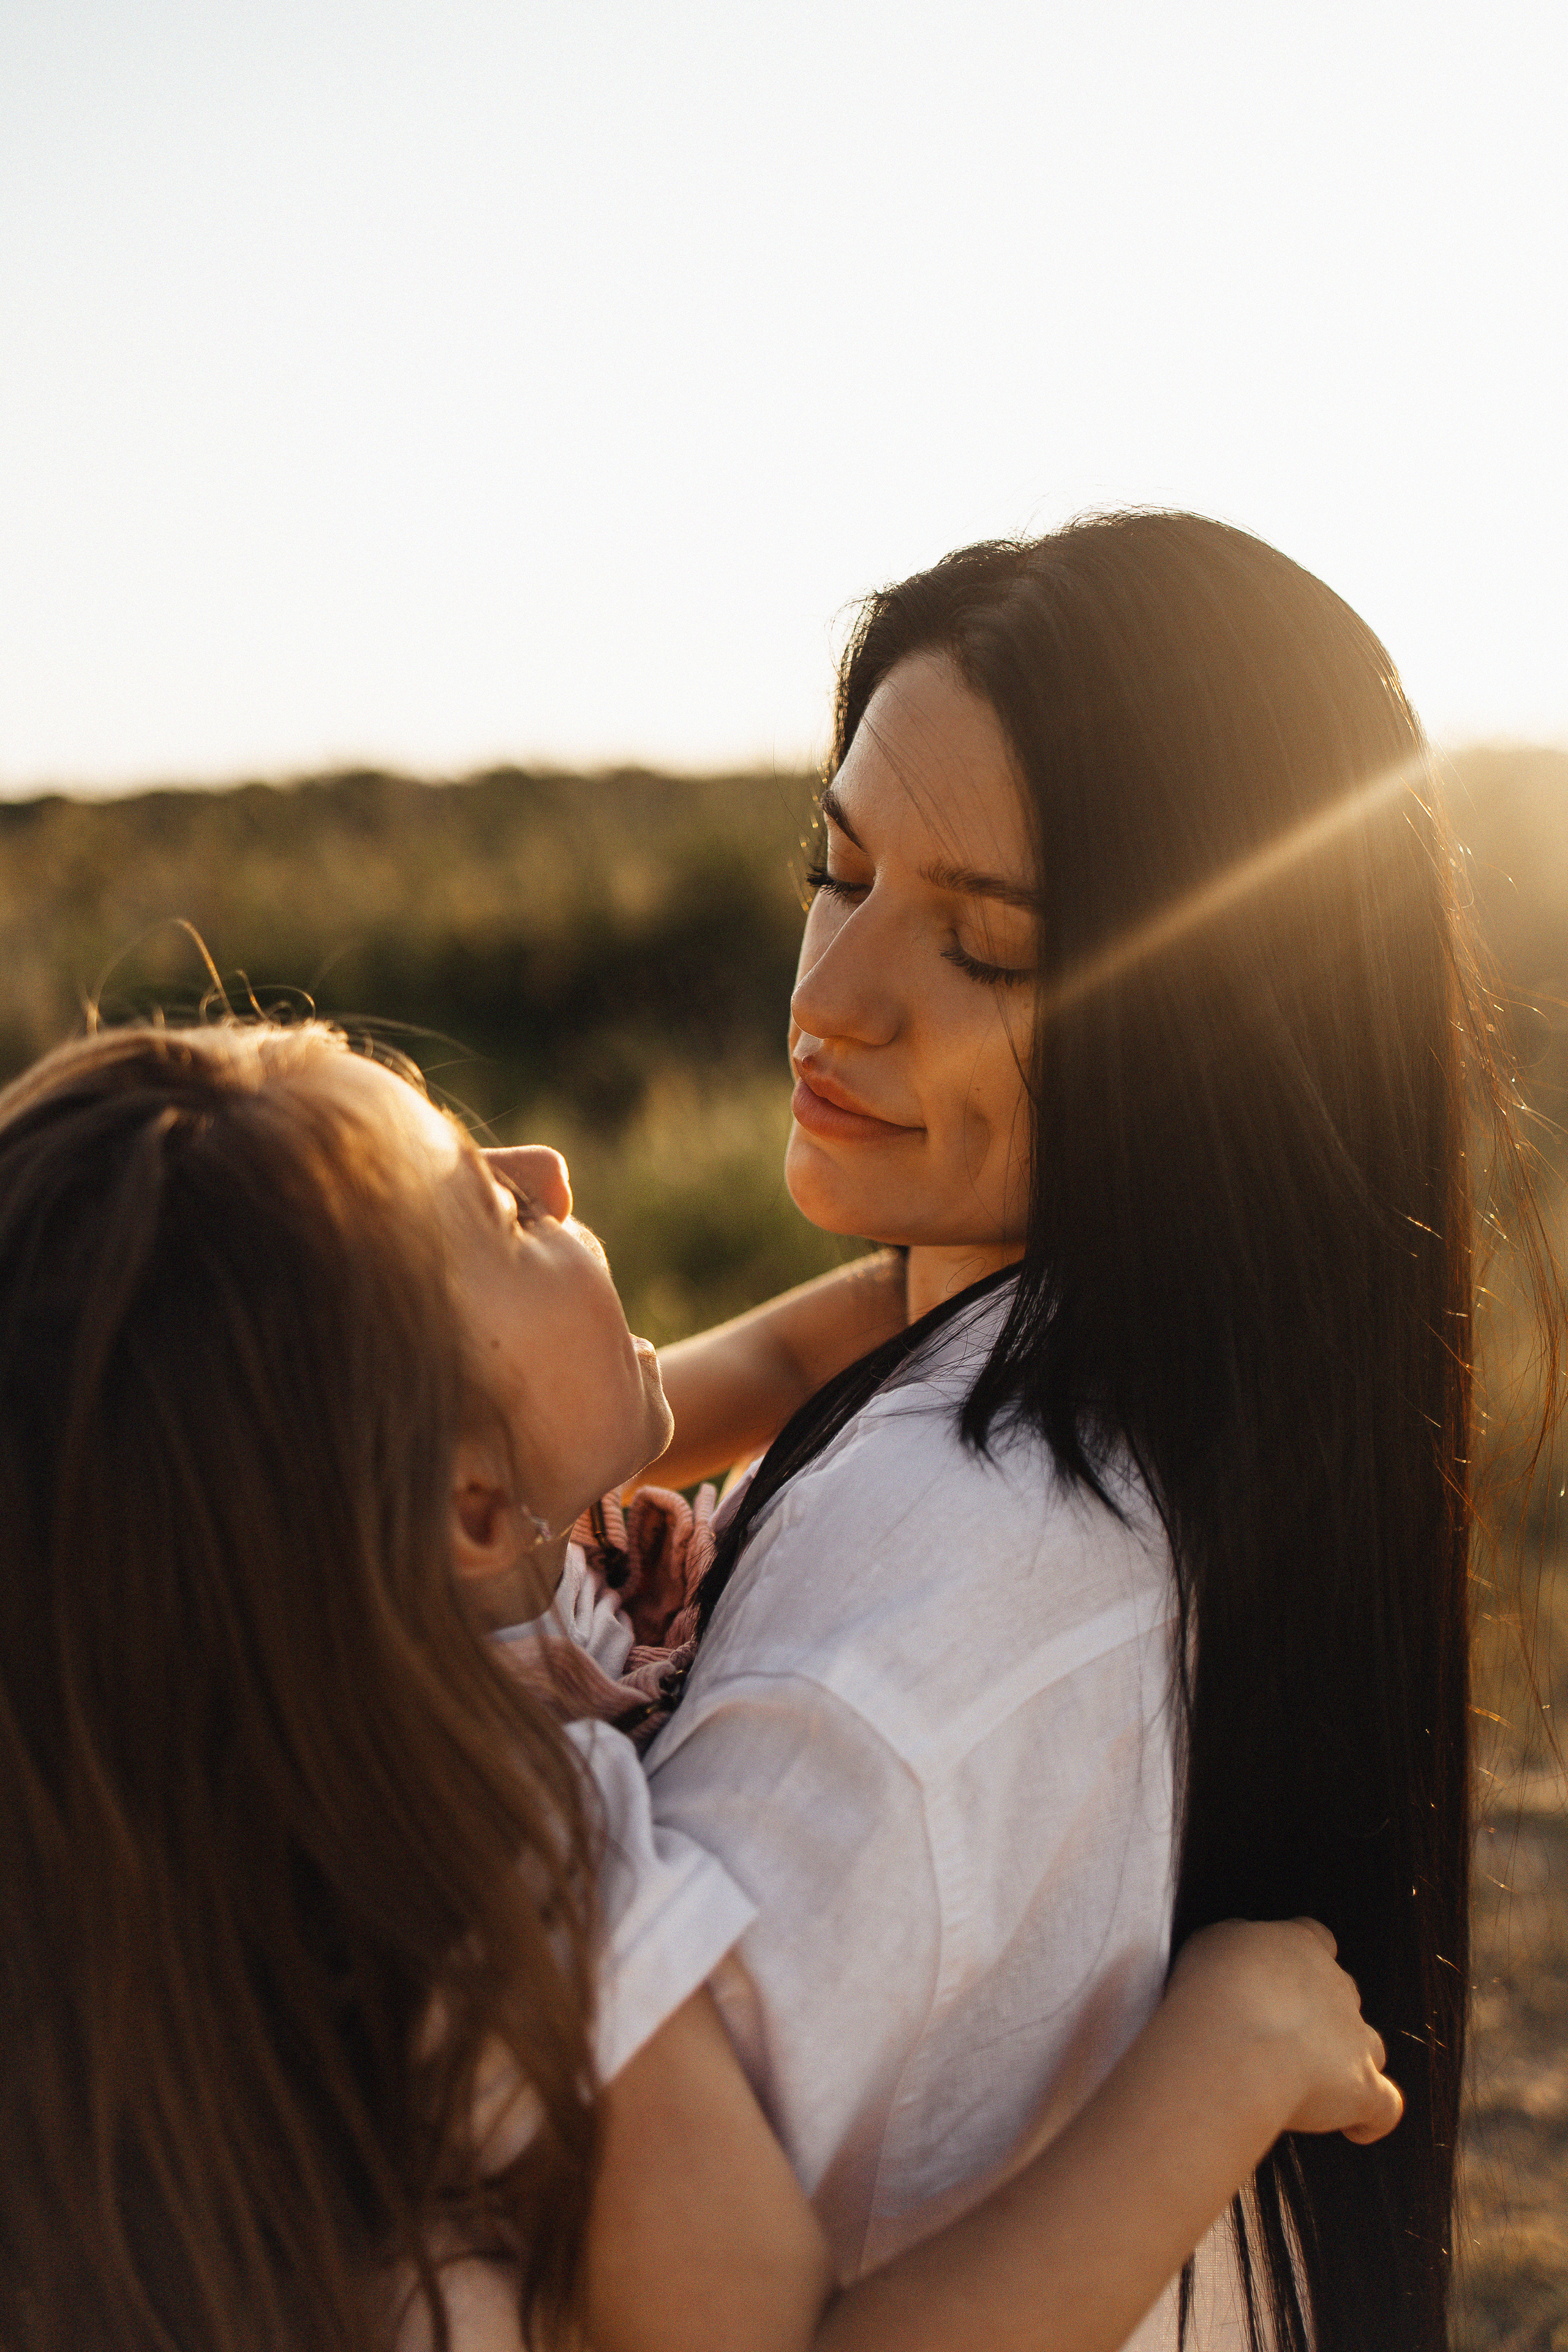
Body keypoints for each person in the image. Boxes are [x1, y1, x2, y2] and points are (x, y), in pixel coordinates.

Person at [0, 1016, 1403, 2352]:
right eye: (495, 1217)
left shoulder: (380, 1625)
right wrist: (1227, 2060)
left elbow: (802, 1352)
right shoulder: (509, 1891)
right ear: (472, 1508)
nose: (542, 1168)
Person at [546, 514, 1558, 2352]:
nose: (831, 998)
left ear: (1215, 1023)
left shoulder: (934, 1611)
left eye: (987, 948)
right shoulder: (1201, 1422)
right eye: (835, 870)